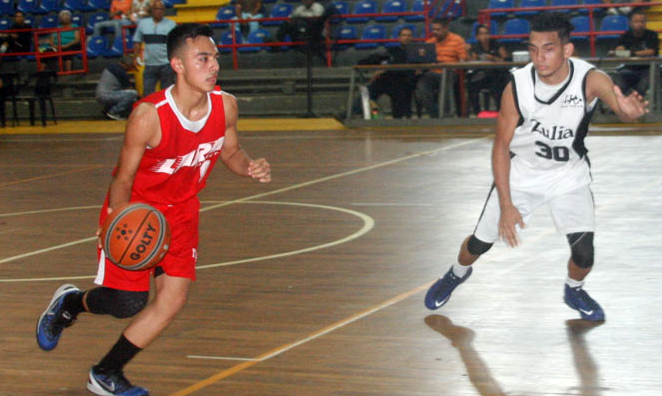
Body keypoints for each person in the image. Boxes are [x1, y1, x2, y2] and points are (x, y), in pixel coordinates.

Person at [35, 23, 271, 396]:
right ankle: (69, 304)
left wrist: (248, 166)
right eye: (203, 58)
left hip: (182, 213)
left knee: (172, 300)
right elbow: (123, 178)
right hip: (136, 212)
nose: (214, 66)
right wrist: (115, 220)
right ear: (177, 64)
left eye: (216, 58)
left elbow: (229, 151)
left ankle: (105, 373)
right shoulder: (149, 115)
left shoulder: (225, 105)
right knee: (126, 303)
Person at [423, 13, 648, 322]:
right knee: (478, 243)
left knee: (585, 254)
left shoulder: (589, 79)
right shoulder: (517, 85)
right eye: (533, 49)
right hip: (521, 173)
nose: (539, 58)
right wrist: (506, 204)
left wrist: (628, 112)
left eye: (549, 49)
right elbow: (501, 147)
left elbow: (619, 105)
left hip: (567, 174)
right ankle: (456, 273)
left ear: (567, 50)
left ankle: (574, 289)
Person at [351, 27, 416, 119]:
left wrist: (382, 70)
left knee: (400, 94)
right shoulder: (392, 50)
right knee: (368, 91)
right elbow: (382, 59)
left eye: (409, 35)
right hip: (386, 79)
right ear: (399, 38)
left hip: (404, 81)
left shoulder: (417, 51)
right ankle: (348, 114)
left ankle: (399, 117)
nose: (407, 37)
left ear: (413, 37)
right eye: (404, 35)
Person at [415, 18, 467, 118]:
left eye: (438, 29)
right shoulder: (430, 42)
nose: (435, 32)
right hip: (433, 72)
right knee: (421, 86)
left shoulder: (457, 40)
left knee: (445, 83)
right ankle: (435, 115)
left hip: (451, 72)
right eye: (433, 29)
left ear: (446, 28)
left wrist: (446, 65)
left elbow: (463, 60)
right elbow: (424, 59)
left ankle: (447, 114)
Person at [609, 10, 659, 96]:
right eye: (636, 22)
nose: (640, 24)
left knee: (642, 86)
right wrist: (618, 50)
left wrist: (632, 53)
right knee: (619, 84)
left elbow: (652, 51)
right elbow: (612, 52)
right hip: (629, 69)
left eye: (642, 22)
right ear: (630, 23)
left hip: (648, 69)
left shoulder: (652, 34)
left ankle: (638, 105)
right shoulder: (626, 35)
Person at [133, 0, 177, 95]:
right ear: (152, 10)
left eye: (161, 9)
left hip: (166, 64)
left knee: (166, 94)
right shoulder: (143, 24)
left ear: (164, 10)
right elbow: (137, 41)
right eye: (156, 9)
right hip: (149, 64)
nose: (158, 11)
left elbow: (175, 44)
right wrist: (135, 57)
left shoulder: (171, 24)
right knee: (147, 93)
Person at [467, 24, 509, 116]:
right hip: (481, 74)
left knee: (498, 85)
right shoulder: (475, 47)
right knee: (471, 86)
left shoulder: (497, 44)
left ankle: (501, 112)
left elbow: (506, 60)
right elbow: (472, 63)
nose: (485, 36)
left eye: (487, 33)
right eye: (482, 34)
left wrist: (494, 58)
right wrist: (469, 53)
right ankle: (477, 113)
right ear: (477, 37)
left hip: (496, 74)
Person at [96, 54, 139, 120]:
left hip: (101, 95)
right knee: (133, 94)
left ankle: (107, 110)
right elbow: (129, 89)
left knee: (121, 93)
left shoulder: (111, 66)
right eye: (131, 66)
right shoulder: (121, 72)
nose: (131, 68)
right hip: (107, 96)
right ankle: (113, 112)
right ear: (126, 65)